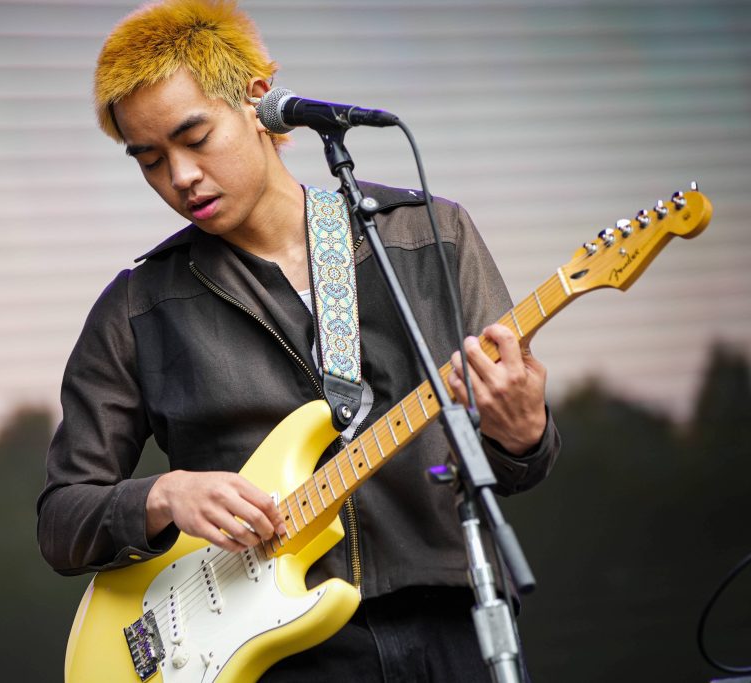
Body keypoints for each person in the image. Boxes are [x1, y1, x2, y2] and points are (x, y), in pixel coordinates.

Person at [37, 0, 560, 679]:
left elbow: (518, 466)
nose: (180, 176)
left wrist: (522, 432)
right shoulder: (137, 307)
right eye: (151, 159)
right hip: (279, 659)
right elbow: (62, 520)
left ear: (258, 99)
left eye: (195, 138)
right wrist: (164, 495)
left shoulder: (428, 235)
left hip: (454, 624)